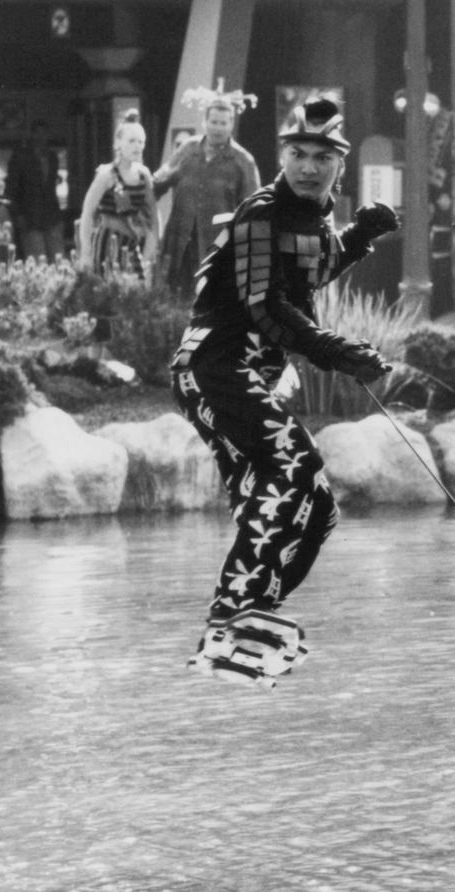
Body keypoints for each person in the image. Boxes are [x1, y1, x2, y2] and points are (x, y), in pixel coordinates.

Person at [170, 97, 399, 685]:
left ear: (338, 166)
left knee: (319, 510)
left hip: (250, 374)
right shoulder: (260, 214)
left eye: (322, 157)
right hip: (215, 365)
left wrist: (360, 236)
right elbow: (267, 306)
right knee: (292, 464)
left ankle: (258, 611)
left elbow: (307, 271)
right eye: (298, 153)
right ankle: (232, 609)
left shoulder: (313, 220)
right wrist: (337, 352)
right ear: (282, 155)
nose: (308, 166)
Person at [156, 85, 262, 289]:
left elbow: (254, 212)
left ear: (231, 124)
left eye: (223, 123)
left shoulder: (243, 162)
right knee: (174, 302)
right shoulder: (187, 150)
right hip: (180, 245)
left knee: (211, 307)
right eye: (213, 122)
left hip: (217, 249)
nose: (218, 128)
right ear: (204, 122)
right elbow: (158, 184)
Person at [75, 109, 160, 279]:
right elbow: (87, 213)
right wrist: (85, 253)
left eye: (140, 141)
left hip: (132, 245)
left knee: (136, 293)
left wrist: (150, 252)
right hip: (106, 244)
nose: (137, 145)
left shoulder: (144, 175)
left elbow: (153, 217)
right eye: (131, 141)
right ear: (118, 143)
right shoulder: (106, 174)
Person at [7, 121, 68, 261]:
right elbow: (12, 189)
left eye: (44, 133)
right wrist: (18, 215)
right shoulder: (21, 157)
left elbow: (50, 186)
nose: (41, 137)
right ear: (32, 135)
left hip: (52, 214)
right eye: (37, 133)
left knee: (58, 257)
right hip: (30, 216)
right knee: (37, 259)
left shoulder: (52, 158)